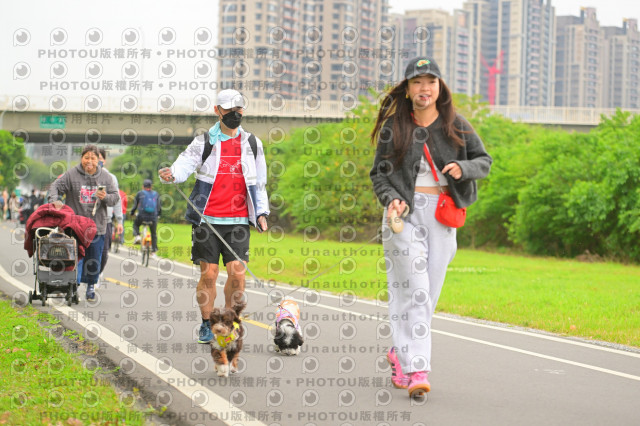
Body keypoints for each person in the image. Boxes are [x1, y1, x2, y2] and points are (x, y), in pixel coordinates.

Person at [370, 57, 492, 397]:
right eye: (417, 82)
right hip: (403, 217)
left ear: (440, 87)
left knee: (428, 295)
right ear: (408, 90)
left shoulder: (456, 124)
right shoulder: (395, 126)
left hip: (442, 216)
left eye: (431, 82)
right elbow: (379, 174)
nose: (425, 88)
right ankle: (417, 369)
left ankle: (399, 352)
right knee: (415, 291)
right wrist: (391, 199)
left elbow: (484, 161)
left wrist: (463, 169)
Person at [158, 88, 269, 344]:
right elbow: (184, 164)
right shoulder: (204, 141)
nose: (234, 113)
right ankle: (207, 323)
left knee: (238, 275)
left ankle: (227, 321)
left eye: (238, 109)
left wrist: (262, 213)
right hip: (206, 218)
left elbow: (260, 182)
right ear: (217, 111)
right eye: (229, 109)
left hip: (238, 220)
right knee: (209, 274)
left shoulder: (253, 143)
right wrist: (172, 174)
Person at [48, 144, 119, 301]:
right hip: (74, 225)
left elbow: (115, 198)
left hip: (97, 226)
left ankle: (91, 286)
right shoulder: (71, 174)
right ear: (81, 158)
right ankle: (74, 285)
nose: (89, 161)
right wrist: (55, 200)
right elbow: (55, 187)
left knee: (94, 259)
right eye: (86, 157)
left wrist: (105, 197)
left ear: (98, 160)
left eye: (93, 158)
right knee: (75, 257)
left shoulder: (106, 177)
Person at [97, 148, 124, 280]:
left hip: (106, 220)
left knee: (104, 252)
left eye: (99, 159)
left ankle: (98, 273)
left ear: (104, 161)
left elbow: (117, 200)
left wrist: (119, 221)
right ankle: (88, 279)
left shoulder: (111, 178)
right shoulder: (83, 176)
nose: (97, 161)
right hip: (86, 220)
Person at [130, 179, 160, 254]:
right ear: (151, 187)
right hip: (153, 217)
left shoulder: (140, 193)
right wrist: (158, 215)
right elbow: (159, 207)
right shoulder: (156, 194)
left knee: (135, 224)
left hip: (142, 216)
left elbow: (135, 205)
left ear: (143, 186)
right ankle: (154, 250)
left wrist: (132, 213)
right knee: (153, 233)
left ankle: (137, 236)